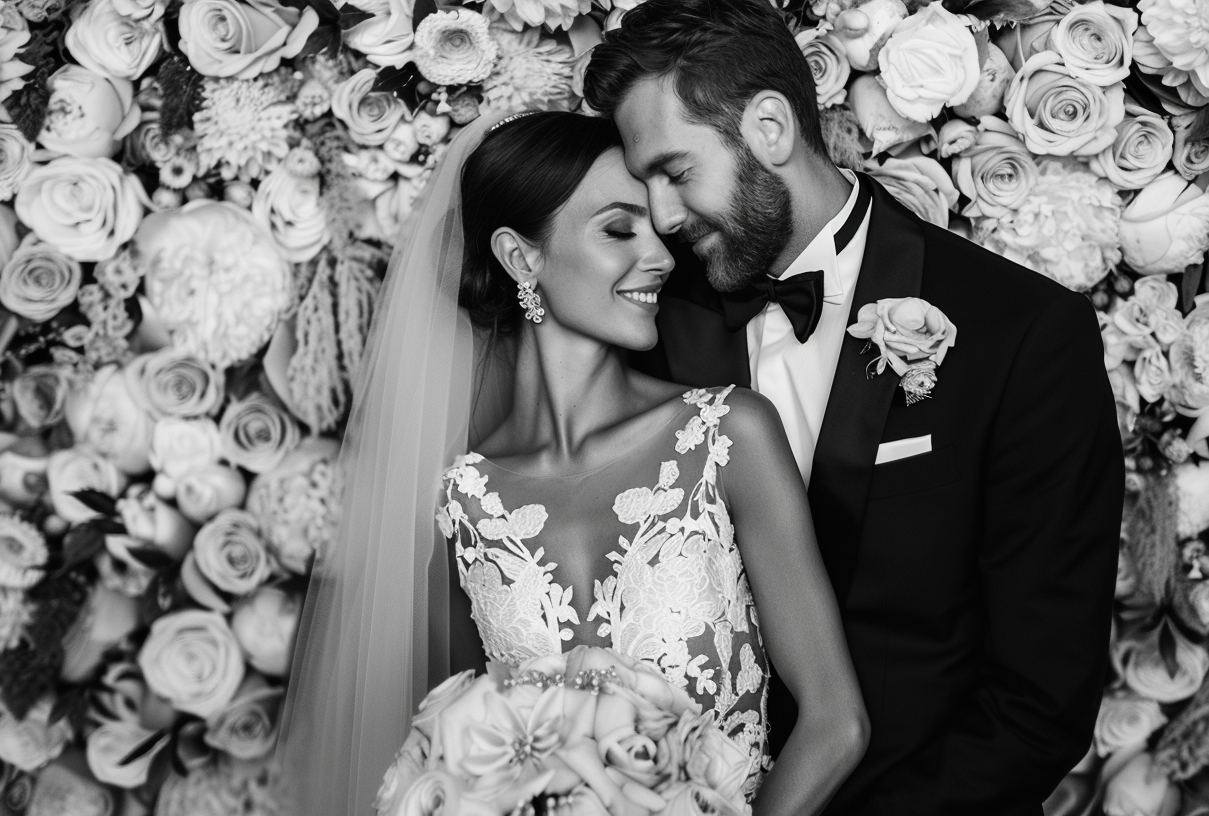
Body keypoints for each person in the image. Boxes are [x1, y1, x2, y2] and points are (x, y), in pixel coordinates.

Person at [582, 1, 1125, 814]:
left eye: (676, 171)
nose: (661, 217)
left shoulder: (1022, 336)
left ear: (769, 127)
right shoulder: (653, 321)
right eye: (646, 182)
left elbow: (1038, 704)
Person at [283, 109, 867, 816]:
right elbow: (455, 752)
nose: (658, 255)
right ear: (520, 257)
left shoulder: (727, 434)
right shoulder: (463, 501)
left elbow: (838, 723)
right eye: (619, 229)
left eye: (658, 227)